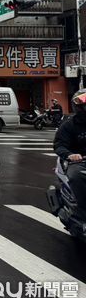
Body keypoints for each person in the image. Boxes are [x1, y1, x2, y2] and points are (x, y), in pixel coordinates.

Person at [54, 90, 86, 218]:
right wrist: (70, 154)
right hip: (78, 162)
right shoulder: (69, 125)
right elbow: (59, 144)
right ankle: (82, 211)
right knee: (77, 176)